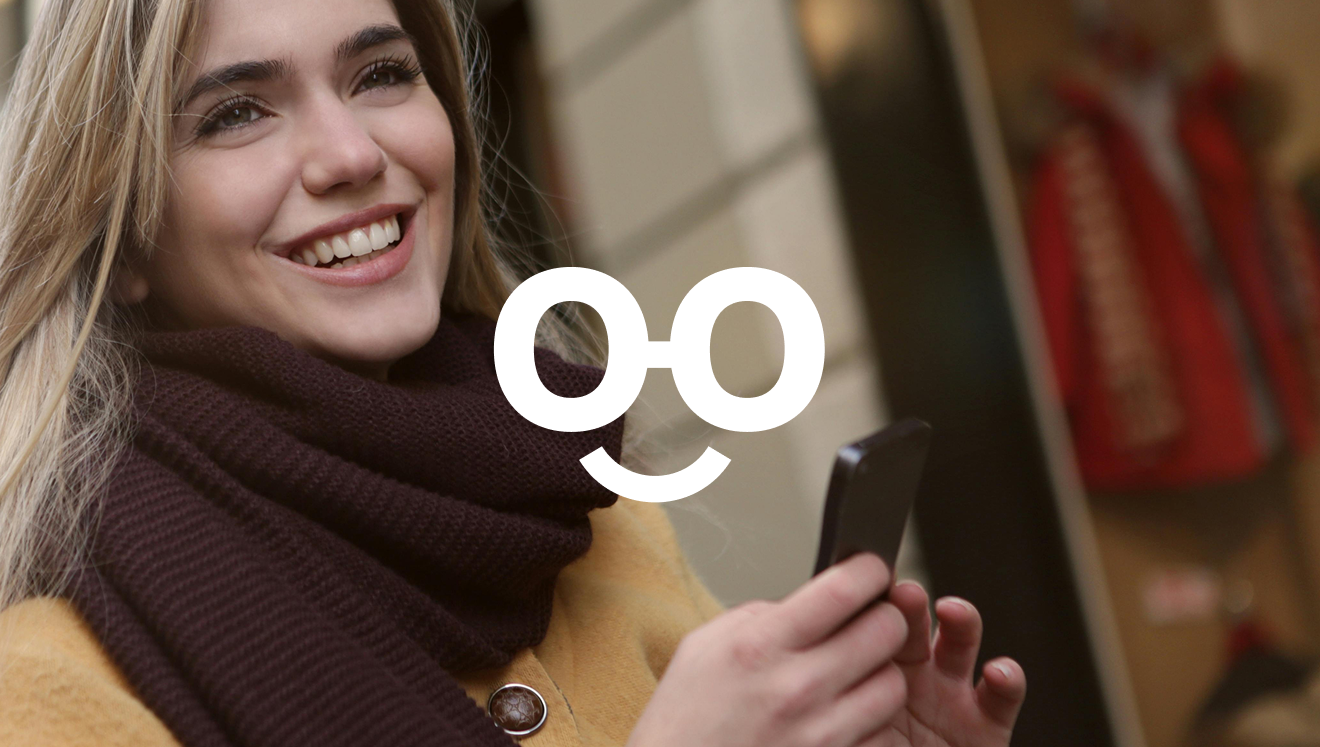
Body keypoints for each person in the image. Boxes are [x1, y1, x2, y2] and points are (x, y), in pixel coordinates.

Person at [0, 0, 1027, 744]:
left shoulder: (604, 526)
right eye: (237, 114)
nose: (350, 153)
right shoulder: (42, 690)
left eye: (382, 74)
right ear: (122, 238)